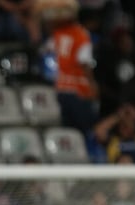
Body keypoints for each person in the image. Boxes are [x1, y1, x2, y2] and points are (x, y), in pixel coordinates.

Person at [37, 0, 98, 135]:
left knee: (67, 128)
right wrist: (92, 85)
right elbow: (84, 62)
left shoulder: (58, 34)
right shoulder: (81, 34)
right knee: (82, 129)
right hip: (78, 88)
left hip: (61, 87)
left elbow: (44, 51)